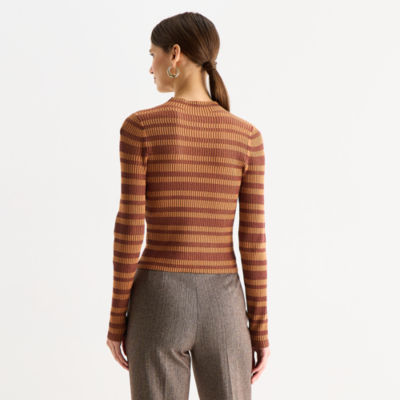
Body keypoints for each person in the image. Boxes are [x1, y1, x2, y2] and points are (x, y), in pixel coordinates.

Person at [106, 11, 271, 400]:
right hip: (224, 306)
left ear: (175, 54)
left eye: (153, 55)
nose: (151, 68)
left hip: (158, 302)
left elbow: (129, 228)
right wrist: (260, 329)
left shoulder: (140, 128)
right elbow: (253, 240)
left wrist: (116, 320)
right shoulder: (247, 137)